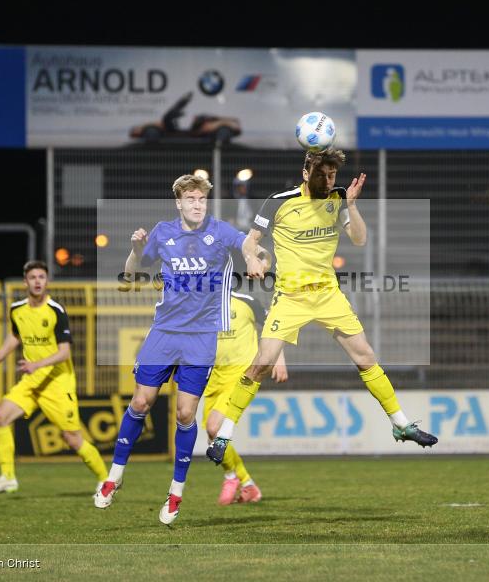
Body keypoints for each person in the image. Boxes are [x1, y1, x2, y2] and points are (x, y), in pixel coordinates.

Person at [206, 148, 437, 466]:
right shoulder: (279, 201)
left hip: (328, 295)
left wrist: (352, 207)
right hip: (290, 297)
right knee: (261, 364)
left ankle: (401, 425)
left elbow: (359, 239)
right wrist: (250, 259)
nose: (328, 180)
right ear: (306, 173)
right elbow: (250, 240)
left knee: (365, 356)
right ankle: (224, 435)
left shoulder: (338, 199)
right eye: (322, 175)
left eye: (332, 175)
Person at [93, 174, 257, 525]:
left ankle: (175, 494)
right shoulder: (163, 232)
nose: (198, 205)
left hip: (200, 338)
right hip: (164, 333)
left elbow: (246, 243)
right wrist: (136, 250)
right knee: (140, 402)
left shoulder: (219, 230)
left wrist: (255, 258)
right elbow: (130, 275)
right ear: (179, 203)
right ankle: (113, 477)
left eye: (202, 199)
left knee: (185, 415)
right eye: (192, 199)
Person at [0, 260, 107, 494]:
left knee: (72, 438)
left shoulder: (56, 311)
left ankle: (106, 480)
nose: (37, 281)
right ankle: (7, 476)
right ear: (25, 282)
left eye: (41, 277)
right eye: (33, 277)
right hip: (32, 380)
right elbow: (15, 336)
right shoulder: (17, 309)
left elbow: (64, 352)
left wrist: (36, 364)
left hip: (57, 383)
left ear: (47, 281)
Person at [205, 287, 288, 506]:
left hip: (240, 374)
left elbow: (275, 325)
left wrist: (278, 358)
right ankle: (248, 485)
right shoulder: (201, 304)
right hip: (212, 376)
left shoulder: (246, 301)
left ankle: (232, 478)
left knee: (215, 427)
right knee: (212, 437)